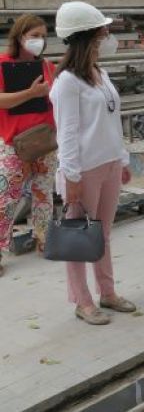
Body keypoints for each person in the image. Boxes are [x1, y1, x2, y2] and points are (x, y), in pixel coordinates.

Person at [50, 2, 135, 325]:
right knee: (78, 237)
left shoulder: (101, 74)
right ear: (87, 37)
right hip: (83, 171)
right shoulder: (67, 82)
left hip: (109, 164)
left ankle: (107, 292)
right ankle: (82, 301)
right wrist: (71, 176)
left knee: (103, 234)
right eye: (102, 33)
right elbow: (67, 133)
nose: (107, 38)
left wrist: (122, 159)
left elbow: (113, 121)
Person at [0, 14, 57, 275]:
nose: (40, 41)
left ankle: (44, 240)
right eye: (34, 36)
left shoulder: (47, 67)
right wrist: (31, 94)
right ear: (20, 36)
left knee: (43, 195)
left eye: (43, 36)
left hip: (45, 143)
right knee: (5, 199)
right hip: (14, 144)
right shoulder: (3, 64)